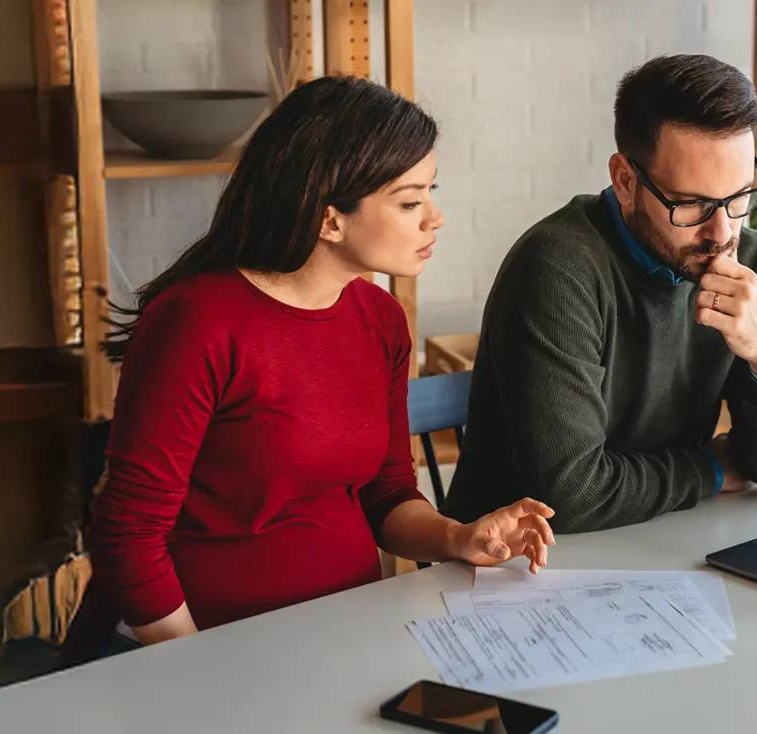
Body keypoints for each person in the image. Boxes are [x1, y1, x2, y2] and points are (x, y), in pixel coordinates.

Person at [86, 76, 556, 648]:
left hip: (346, 633)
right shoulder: (196, 322)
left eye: (431, 193)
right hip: (206, 648)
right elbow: (128, 533)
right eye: (410, 202)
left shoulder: (379, 317)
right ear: (330, 219)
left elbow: (386, 494)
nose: (435, 218)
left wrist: (458, 537)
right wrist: (191, 664)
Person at [441, 54, 757, 534]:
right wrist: (708, 468)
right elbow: (569, 494)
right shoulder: (556, 271)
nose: (723, 230)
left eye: (739, 196)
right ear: (626, 182)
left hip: (657, 541)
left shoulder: (753, 262)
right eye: (692, 204)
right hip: (511, 570)